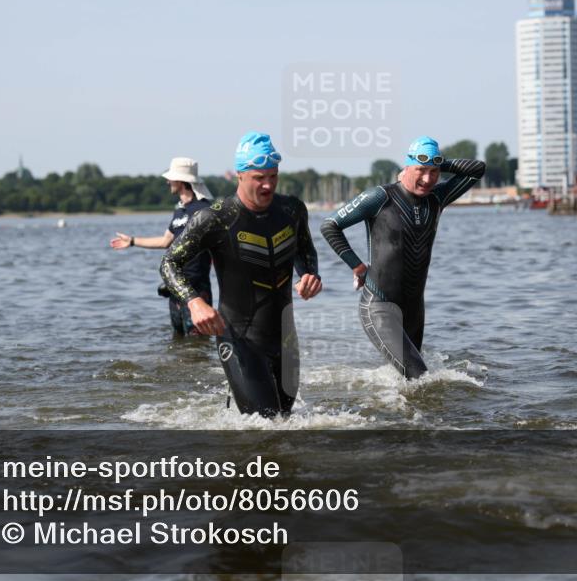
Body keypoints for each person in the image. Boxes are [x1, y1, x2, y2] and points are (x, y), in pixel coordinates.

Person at [160, 132, 322, 417]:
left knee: (284, 423)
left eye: (273, 176)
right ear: (240, 175)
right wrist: (195, 302)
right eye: (259, 177)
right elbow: (169, 264)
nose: (268, 184)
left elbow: (305, 252)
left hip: (285, 338)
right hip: (239, 337)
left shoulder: (292, 210)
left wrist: (310, 276)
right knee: (266, 422)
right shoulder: (215, 218)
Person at [319, 136, 485, 379]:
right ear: (406, 167)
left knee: (412, 386)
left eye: (434, 172)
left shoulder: (437, 198)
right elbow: (330, 226)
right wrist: (357, 266)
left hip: (414, 308)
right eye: (420, 170)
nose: (428, 179)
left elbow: (477, 169)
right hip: (379, 306)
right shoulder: (380, 198)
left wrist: (442, 163)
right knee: (421, 378)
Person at [111, 157, 214, 336]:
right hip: (175, 286)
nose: (168, 182)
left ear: (181, 181)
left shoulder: (204, 210)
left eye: (171, 178)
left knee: (198, 342)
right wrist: (133, 241)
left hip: (196, 289)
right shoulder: (180, 210)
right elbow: (165, 241)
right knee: (178, 339)